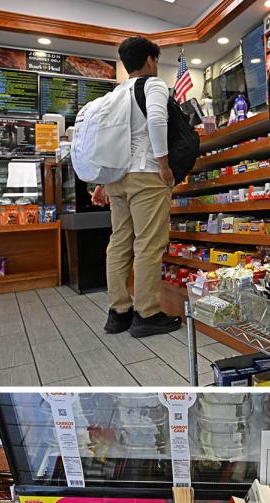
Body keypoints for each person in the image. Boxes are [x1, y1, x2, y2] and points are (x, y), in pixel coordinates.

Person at [90, 35, 183, 339]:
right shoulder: (153, 84)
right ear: (150, 61)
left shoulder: (115, 94)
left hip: (117, 177)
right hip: (146, 175)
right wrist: (164, 164)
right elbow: (157, 120)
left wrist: (103, 180)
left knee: (119, 243)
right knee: (148, 244)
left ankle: (118, 313)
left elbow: (104, 138)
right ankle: (147, 313)